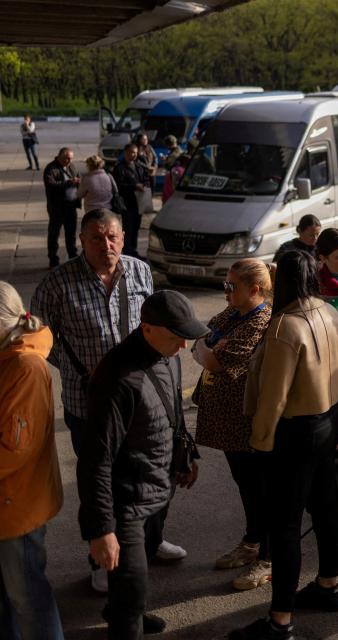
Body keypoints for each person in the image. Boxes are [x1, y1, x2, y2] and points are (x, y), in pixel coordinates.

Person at [31, 209, 187, 594]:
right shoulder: (57, 284)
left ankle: (150, 541)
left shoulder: (139, 271)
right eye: (98, 238)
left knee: (148, 475)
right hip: (89, 404)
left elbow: (155, 326)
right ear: (81, 240)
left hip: (141, 399)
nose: (108, 246)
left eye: (113, 237)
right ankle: (101, 557)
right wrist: (76, 368)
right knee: (101, 479)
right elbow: (41, 339)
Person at [232, 250, 338, 640]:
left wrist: (260, 439)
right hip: (330, 418)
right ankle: (329, 585)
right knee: (325, 505)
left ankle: (280, 621)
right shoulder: (332, 312)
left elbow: (273, 396)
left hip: (296, 430)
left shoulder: (285, 325)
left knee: (284, 525)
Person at [79, 290, 206, 640]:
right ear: (146, 328)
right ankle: (126, 617)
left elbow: (171, 412)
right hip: (126, 505)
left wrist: (187, 453)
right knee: (132, 588)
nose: (183, 346)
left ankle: (123, 608)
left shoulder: (168, 355)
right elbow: (95, 460)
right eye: (175, 337)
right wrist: (101, 529)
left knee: (135, 581)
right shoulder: (116, 378)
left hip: (156, 491)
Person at [191, 259, 273, 591]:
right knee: (245, 483)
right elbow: (204, 336)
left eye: (231, 286)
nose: (225, 291)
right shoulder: (233, 314)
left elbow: (213, 357)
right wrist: (207, 346)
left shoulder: (260, 322)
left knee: (261, 488)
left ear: (254, 290)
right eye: (226, 284)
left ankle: (267, 557)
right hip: (226, 421)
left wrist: (208, 349)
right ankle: (252, 541)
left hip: (245, 419)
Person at [0, 282, 65, 640]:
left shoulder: (25, 366)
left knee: (27, 599)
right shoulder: (7, 355)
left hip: (16, 506)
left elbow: (14, 450)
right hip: (8, 502)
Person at [43, 147, 81, 268]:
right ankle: (53, 259)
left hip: (71, 206)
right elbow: (50, 185)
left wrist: (78, 181)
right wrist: (69, 182)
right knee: (54, 234)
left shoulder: (72, 166)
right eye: (66, 158)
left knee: (71, 234)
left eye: (70, 158)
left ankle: (73, 257)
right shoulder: (51, 168)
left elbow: (79, 177)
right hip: (57, 207)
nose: (69, 161)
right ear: (59, 156)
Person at [111, 143, 151, 258]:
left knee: (136, 228)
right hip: (127, 203)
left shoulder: (139, 166)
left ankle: (134, 251)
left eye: (135, 153)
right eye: (131, 152)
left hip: (139, 202)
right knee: (128, 228)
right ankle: (127, 252)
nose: (133, 155)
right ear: (125, 153)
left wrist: (145, 185)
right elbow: (118, 186)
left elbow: (146, 179)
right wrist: (134, 186)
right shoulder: (119, 168)